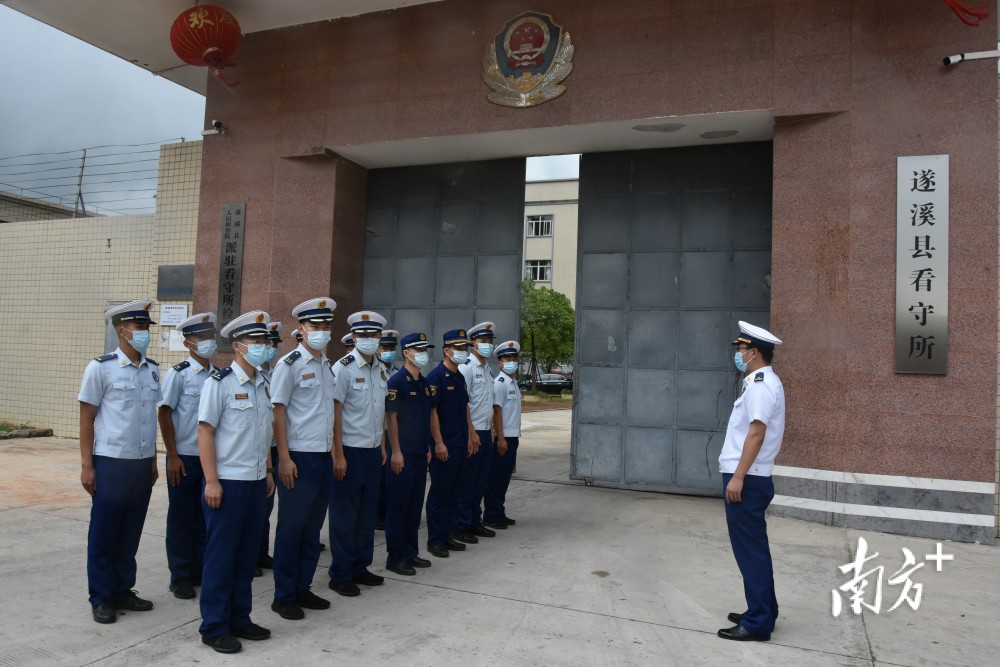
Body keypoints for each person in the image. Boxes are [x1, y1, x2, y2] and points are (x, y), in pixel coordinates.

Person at [197, 310, 276, 653]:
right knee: (221, 557)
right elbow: (204, 432)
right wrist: (211, 480)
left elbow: (264, 433)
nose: (263, 347)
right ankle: (214, 625)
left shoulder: (264, 383)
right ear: (239, 346)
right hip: (228, 483)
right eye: (257, 342)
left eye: (265, 341)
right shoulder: (219, 384)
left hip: (257, 481)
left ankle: (240, 618)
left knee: (246, 557)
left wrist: (270, 470)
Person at [79, 299, 160, 624]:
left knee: (130, 531)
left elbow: (149, 420)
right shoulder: (100, 368)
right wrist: (87, 465)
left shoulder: (153, 370)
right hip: (111, 462)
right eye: (139, 327)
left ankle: (123, 588)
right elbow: (87, 419)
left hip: (141, 464)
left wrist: (153, 460)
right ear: (121, 330)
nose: (143, 333)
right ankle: (101, 596)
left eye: (145, 328)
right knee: (104, 532)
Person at [716, 321, 785, 643]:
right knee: (755, 549)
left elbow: (756, 434)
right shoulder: (764, 383)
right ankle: (763, 610)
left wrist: (738, 477)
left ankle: (758, 623)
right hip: (753, 476)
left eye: (741, 350)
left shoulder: (759, 386)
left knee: (750, 552)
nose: (738, 355)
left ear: (754, 353)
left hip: (748, 478)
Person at [269, 298, 337, 620]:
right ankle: (283, 596)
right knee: (291, 529)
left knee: (312, 530)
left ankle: (303, 587)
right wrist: (283, 457)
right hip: (298, 458)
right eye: (315, 326)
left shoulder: (326, 365)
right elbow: (278, 413)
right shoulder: (289, 365)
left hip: (322, 457)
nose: (322, 332)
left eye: (326, 326)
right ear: (300, 329)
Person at [328, 311, 389, 596]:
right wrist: (337, 454)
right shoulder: (343, 368)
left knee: (366, 515)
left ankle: (360, 566)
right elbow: (335, 413)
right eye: (363, 335)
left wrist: (384, 447)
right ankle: (340, 573)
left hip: (374, 451)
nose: (369, 340)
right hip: (350, 451)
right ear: (353, 338)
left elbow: (380, 414)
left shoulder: (380, 368)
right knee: (345, 515)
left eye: (374, 335)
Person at [159, 312, 217, 600]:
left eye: (210, 335)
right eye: (201, 337)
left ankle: (199, 569)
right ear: (188, 342)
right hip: (183, 456)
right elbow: (165, 412)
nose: (208, 342)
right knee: (182, 518)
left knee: (205, 519)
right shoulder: (178, 374)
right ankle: (180, 575)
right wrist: (171, 454)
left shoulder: (218, 375)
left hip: (210, 460)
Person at [383, 333, 435, 576]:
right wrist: (396, 451)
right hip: (402, 454)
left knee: (414, 507)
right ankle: (396, 557)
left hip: (418, 453)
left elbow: (425, 419)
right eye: (418, 349)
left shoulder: (423, 384)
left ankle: (411, 552)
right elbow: (391, 419)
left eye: (425, 349)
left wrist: (427, 448)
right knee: (399, 506)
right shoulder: (397, 382)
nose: (423, 353)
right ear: (406, 353)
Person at [424, 329, 479, 558]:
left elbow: (465, 407)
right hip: (444, 446)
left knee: (454, 493)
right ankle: (435, 540)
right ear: (446, 351)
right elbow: (432, 412)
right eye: (458, 348)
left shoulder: (459, 377)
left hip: (459, 443)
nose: (463, 352)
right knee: (440, 494)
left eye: (465, 348)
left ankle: (447, 535)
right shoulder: (436, 377)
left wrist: (470, 433)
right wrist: (438, 443)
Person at [455, 322, 497, 540]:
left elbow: (486, 403)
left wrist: (489, 430)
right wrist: (471, 433)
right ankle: (461, 525)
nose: (487, 345)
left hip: (484, 431)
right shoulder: (466, 367)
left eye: (490, 342)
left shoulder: (487, 369)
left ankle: (474, 521)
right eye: (483, 342)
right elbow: (465, 404)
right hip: (472, 433)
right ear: (473, 344)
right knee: (467, 482)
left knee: (480, 481)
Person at [485, 340, 522, 530]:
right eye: (508, 359)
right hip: (504, 437)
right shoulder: (499, 383)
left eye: (514, 358)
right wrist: (500, 438)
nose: (512, 362)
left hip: (512, 436)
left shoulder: (513, 382)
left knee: (504, 477)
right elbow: (496, 412)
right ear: (499, 362)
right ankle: (491, 514)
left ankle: (499, 511)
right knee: (496, 478)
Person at [257, 321, 283, 576]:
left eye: (273, 344)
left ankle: (262, 552)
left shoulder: (278, 372)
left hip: (275, 446)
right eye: (266, 343)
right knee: (257, 506)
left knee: (267, 504)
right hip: (257, 448)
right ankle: (251, 556)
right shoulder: (249, 375)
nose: (270, 348)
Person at [375, 328, 400, 530]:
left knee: (389, 477)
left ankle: (385, 512)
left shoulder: (396, 374)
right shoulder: (375, 371)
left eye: (392, 348)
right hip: (376, 431)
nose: (388, 351)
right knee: (378, 477)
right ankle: (376, 514)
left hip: (391, 432)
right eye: (385, 347)